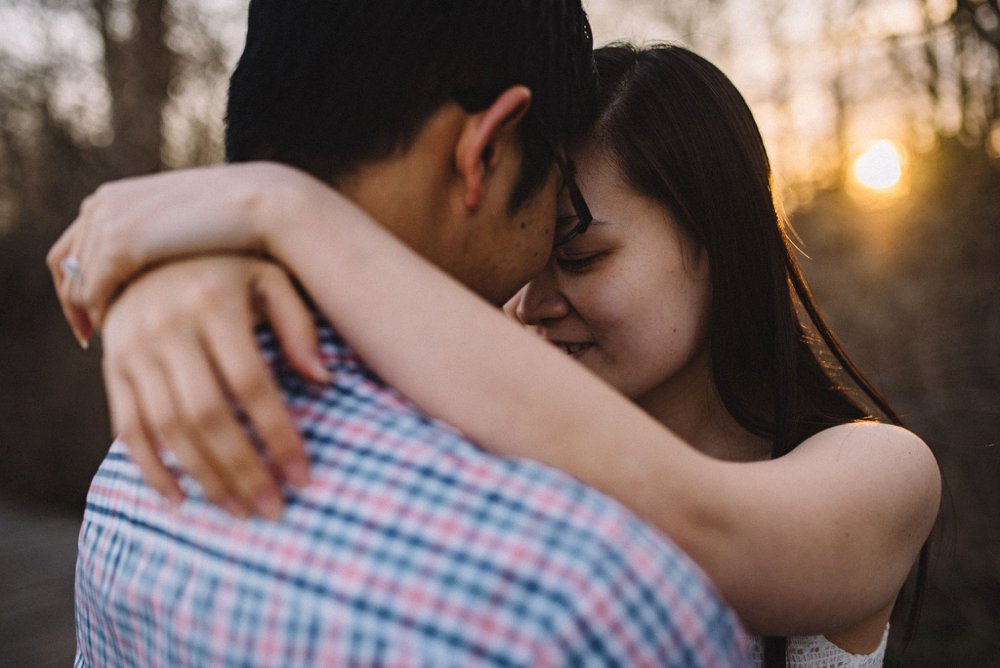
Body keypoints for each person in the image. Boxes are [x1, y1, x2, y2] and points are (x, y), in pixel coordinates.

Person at [48, 43, 941, 667]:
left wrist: (286, 207)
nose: (529, 302)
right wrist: (188, 282)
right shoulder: (480, 425)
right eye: (525, 256)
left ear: (721, 235)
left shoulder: (879, 469)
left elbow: (721, 536)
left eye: (582, 256)